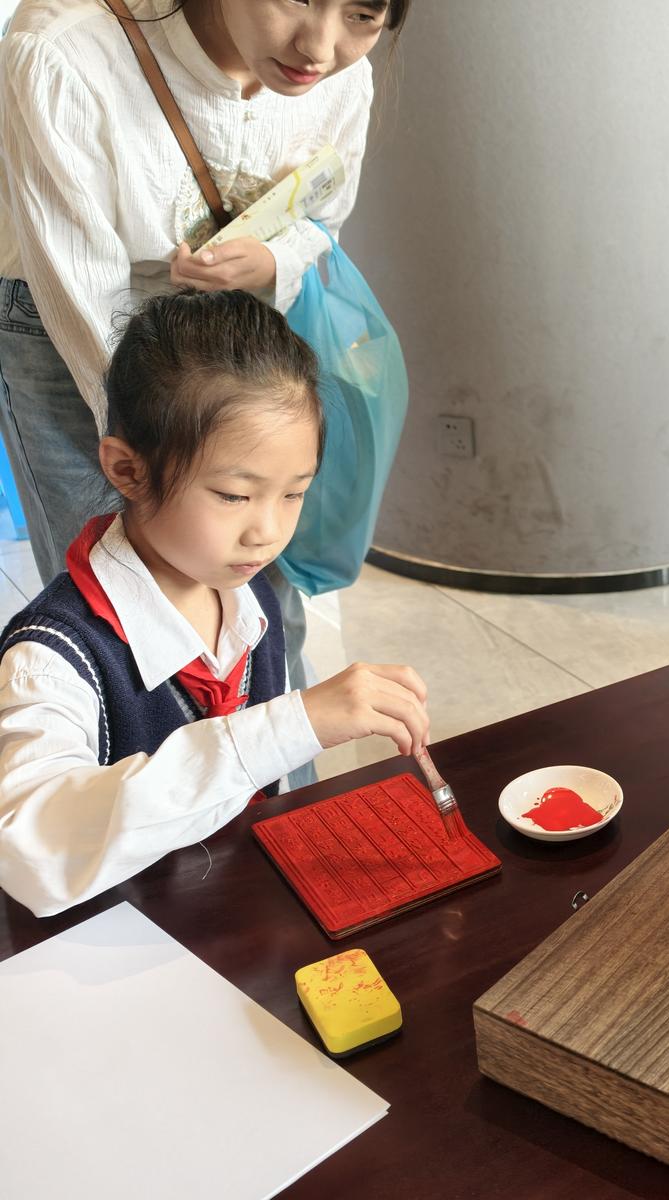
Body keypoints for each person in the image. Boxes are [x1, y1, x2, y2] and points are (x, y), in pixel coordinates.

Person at [0, 0, 408, 700]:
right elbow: (81, 286)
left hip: (240, 335)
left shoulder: (342, 73)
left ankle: (281, 757)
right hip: (77, 334)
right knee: (125, 607)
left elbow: (322, 213)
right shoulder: (62, 49)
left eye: (363, 15)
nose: (319, 48)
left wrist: (275, 259)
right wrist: (178, 447)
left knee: (261, 587)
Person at [0, 289, 429, 918]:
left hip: (241, 920)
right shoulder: (52, 659)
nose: (267, 532)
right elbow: (30, 851)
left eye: (294, 493)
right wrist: (291, 726)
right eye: (233, 495)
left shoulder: (250, 596)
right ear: (128, 470)